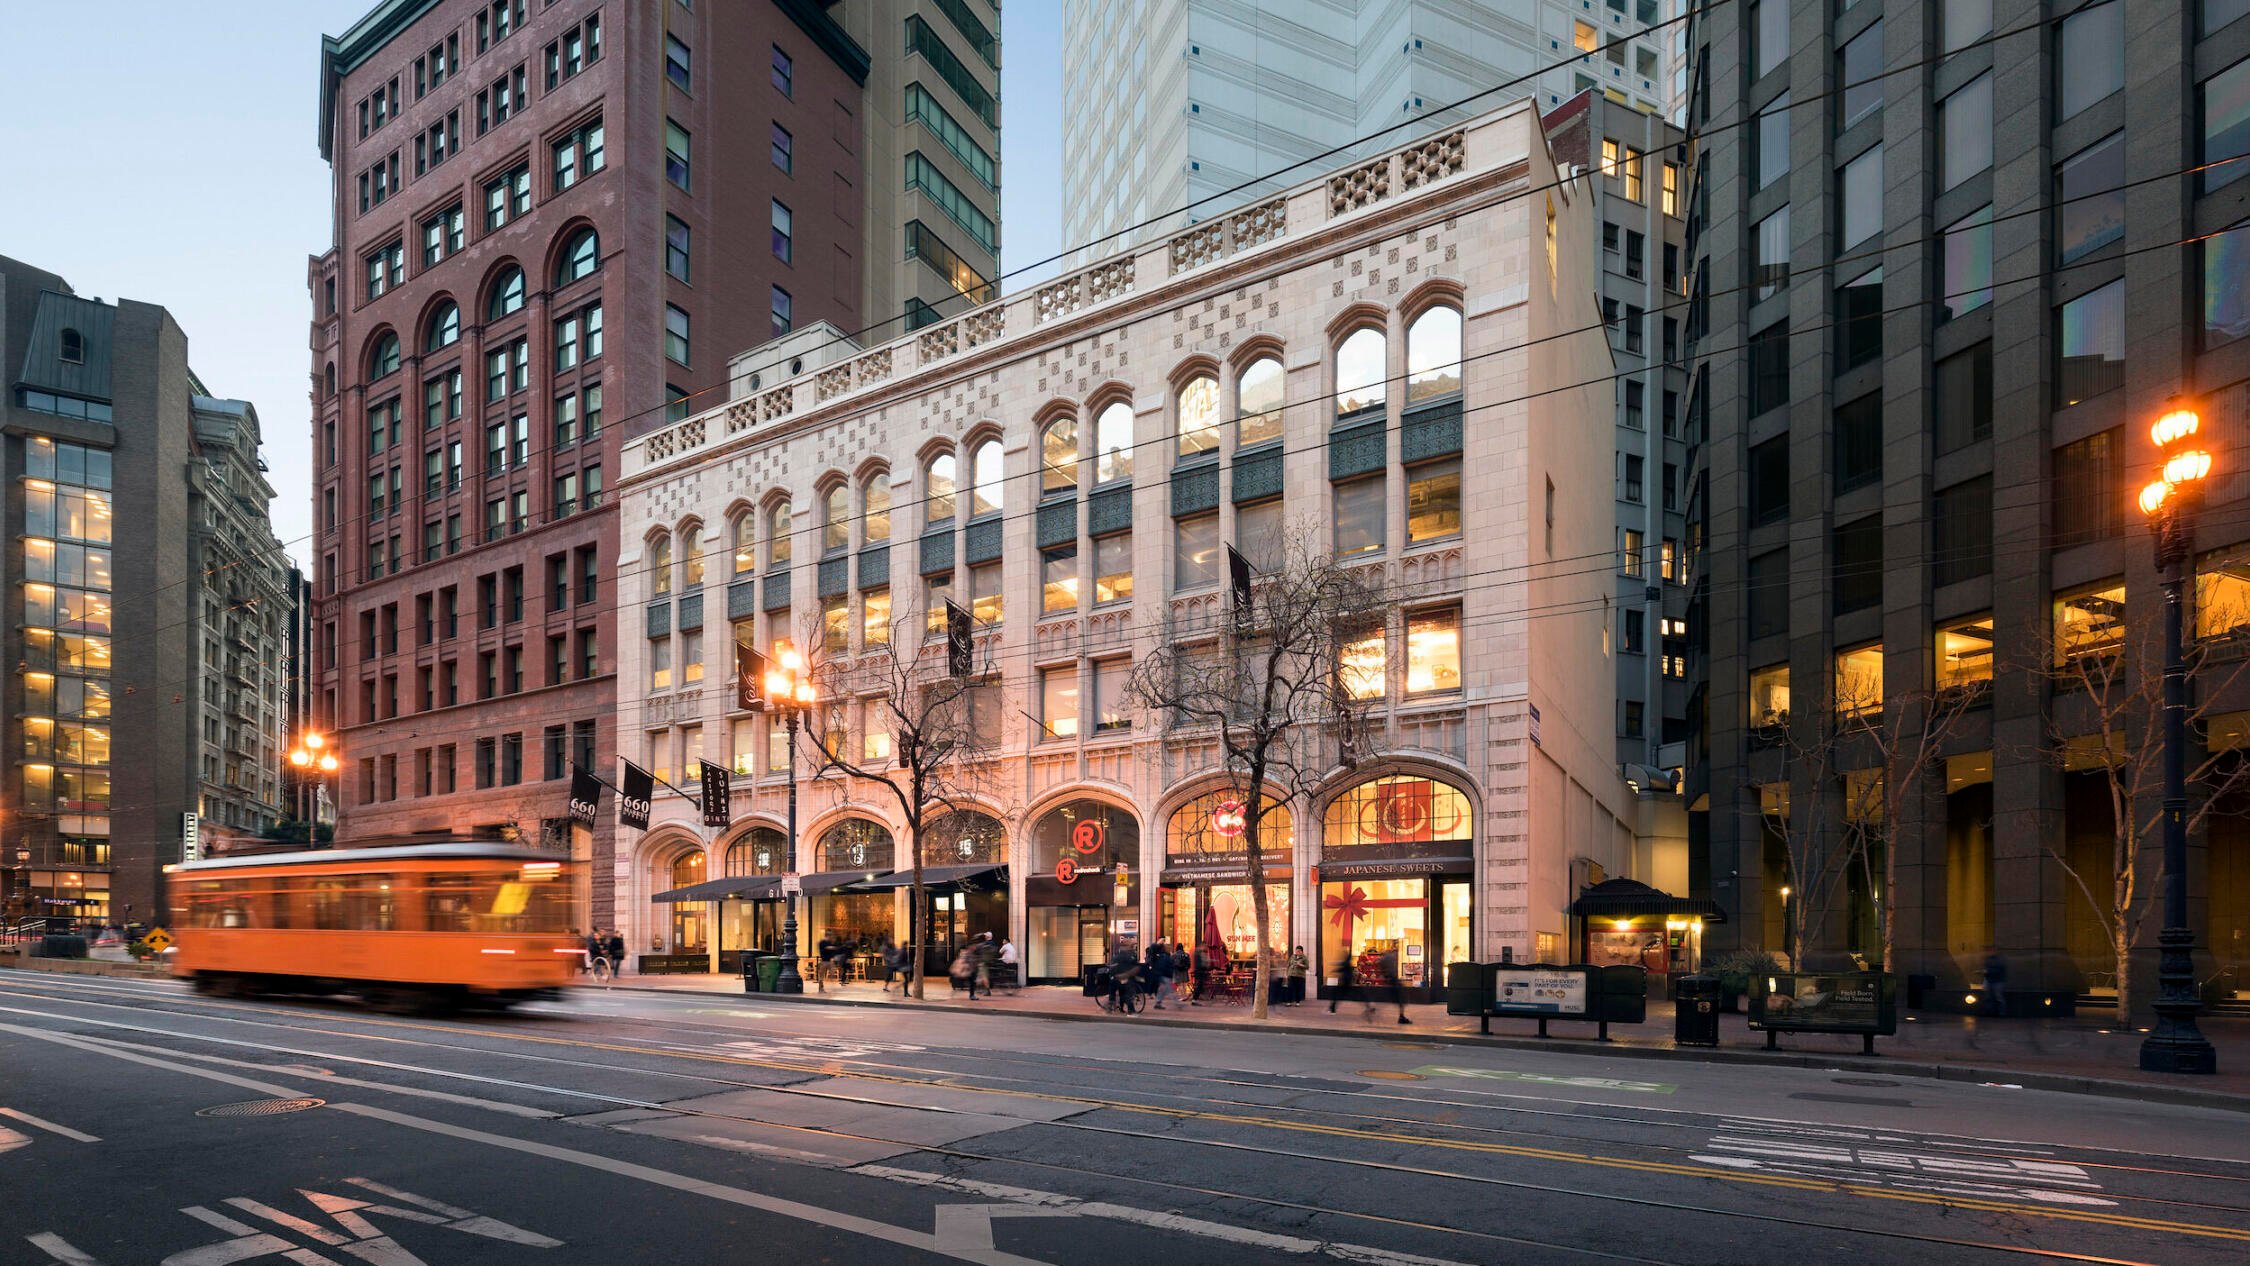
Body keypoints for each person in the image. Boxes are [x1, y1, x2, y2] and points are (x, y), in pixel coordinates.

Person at [1145, 939, 1176, 1009]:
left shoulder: (1162, 955)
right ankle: (1178, 1004)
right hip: (1165, 975)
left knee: (1162, 990)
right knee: (1169, 991)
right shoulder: (1164, 956)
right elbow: (1166, 966)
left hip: (1162, 975)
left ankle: (1158, 1002)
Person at [1327, 947, 1356, 1014]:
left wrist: (1334, 967)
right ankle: (1332, 1009)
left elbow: (1342, 966)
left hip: (1345, 983)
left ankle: (1332, 1009)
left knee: (1335, 995)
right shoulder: (1348, 962)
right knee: (1336, 995)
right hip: (1346, 982)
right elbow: (1342, 967)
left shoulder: (1347, 963)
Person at [1983, 949, 2009, 1017]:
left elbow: (1998, 970)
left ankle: (2000, 1013)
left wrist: (1987, 972)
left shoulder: (1998, 960)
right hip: (1994, 980)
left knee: (1997, 997)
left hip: (1997, 981)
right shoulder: (1990, 959)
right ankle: (1996, 1012)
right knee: (1993, 997)